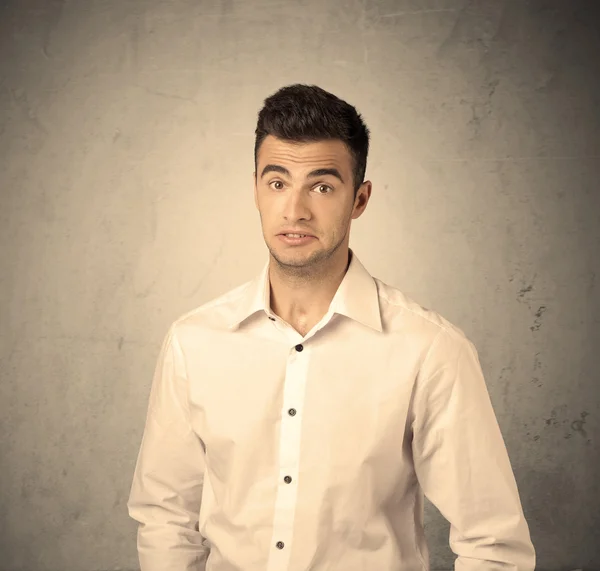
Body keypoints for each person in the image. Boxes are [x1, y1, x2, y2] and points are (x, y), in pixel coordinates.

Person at [127, 83, 536, 571]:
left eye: (321, 186)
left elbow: (493, 545)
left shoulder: (429, 350)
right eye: (277, 183)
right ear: (255, 189)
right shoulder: (193, 343)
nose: (295, 209)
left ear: (359, 199)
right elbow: (166, 520)